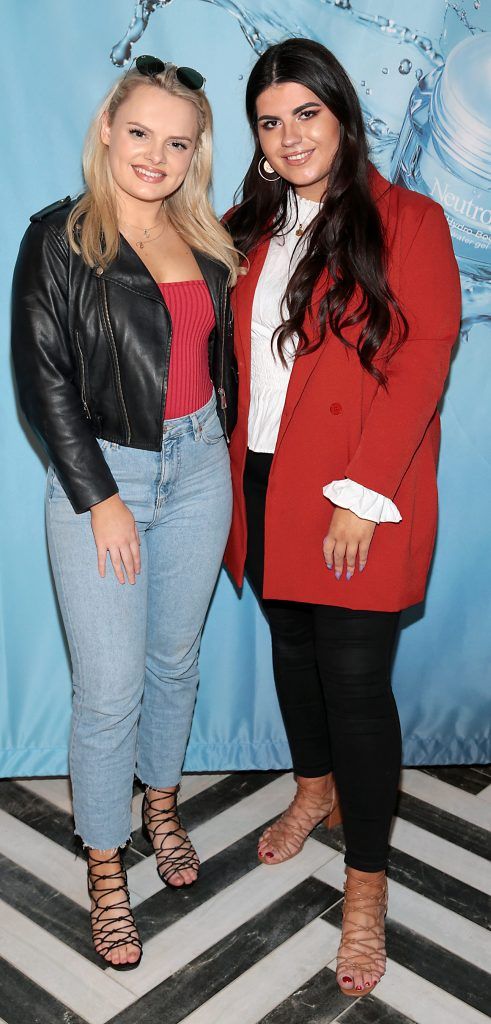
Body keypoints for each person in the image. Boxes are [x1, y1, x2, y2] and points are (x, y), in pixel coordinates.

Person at [224, 38, 461, 997]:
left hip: (356, 488)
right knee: (290, 648)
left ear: (342, 114)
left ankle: (366, 884)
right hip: (259, 479)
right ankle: (309, 786)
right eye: (269, 122)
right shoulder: (242, 223)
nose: (288, 136)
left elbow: (422, 362)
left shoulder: (411, 218)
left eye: (305, 114)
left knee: (355, 683)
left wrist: (363, 495)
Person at [12, 56, 239, 970]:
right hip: (105, 475)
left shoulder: (206, 237)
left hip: (200, 469)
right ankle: (105, 863)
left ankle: (161, 805)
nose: (156, 154)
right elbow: (42, 381)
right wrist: (99, 495)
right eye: (140, 131)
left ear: (196, 154)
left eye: (177, 141)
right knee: (109, 692)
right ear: (107, 128)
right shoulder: (57, 240)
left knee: (174, 663)